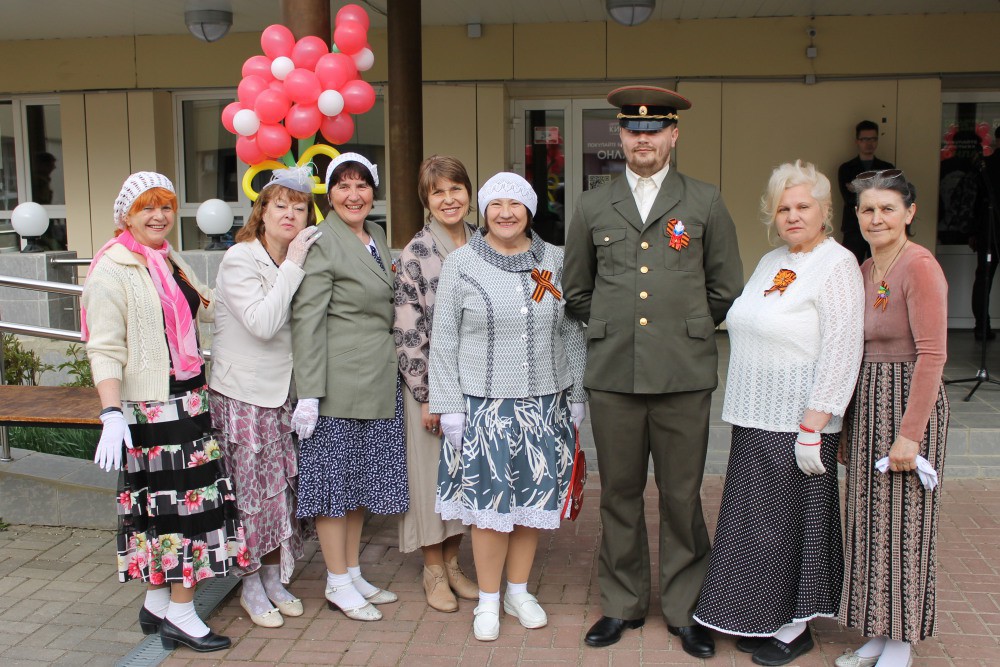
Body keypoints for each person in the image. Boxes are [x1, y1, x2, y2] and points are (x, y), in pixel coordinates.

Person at [562, 85, 743, 655]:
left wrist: (680, 328)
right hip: (615, 373)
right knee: (619, 493)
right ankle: (622, 604)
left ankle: (686, 609)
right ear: (620, 137)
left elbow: (725, 287)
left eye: (655, 130)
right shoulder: (593, 205)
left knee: (682, 495)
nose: (644, 139)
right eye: (633, 130)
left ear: (673, 135)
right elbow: (576, 290)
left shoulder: (705, 201)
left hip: (683, 374)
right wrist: (617, 326)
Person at [693, 160, 865, 666]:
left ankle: (796, 626)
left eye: (803, 206)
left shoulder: (837, 265)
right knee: (756, 525)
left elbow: (842, 347)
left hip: (799, 421)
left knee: (792, 526)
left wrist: (816, 422)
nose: (792, 216)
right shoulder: (773, 260)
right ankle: (762, 615)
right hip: (754, 415)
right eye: (783, 208)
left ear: (825, 210)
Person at [82, 172, 243, 653]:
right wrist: (111, 412)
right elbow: (104, 348)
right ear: (126, 216)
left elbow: (206, 306)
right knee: (182, 511)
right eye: (147, 208)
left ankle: (157, 603)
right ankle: (181, 614)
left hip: (188, 398)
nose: (159, 216)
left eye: (166, 206)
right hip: (153, 409)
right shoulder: (112, 269)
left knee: (167, 505)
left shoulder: (167, 257)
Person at [429, 172, 587, 642]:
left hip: (545, 404)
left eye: (515, 204)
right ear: (483, 210)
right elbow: (444, 340)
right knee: (490, 507)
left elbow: (571, 331)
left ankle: (518, 591)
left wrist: (578, 394)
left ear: (530, 210)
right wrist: (449, 405)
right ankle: (488, 599)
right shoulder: (461, 263)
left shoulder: (555, 260)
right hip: (486, 408)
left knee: (531, 503)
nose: (504, 212)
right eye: (495, 204)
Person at [837, 169, 949, 667]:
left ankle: (901, 644)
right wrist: (848, 422)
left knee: (904, 526)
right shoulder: (865, 267)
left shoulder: (920, 266)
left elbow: (933, 355)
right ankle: (878, 633)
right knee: (868, 524)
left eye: (887, 208)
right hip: (869, 402)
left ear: (909, 213)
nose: (876, 218)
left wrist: (910, 435)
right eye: (867, 209)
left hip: (907, 403)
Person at [290, 152, 407, 622]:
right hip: (337, 384)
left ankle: (353, 571)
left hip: (377, 378)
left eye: (361, 185)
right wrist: (309, 393)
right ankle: (336, 580)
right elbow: (307, 320)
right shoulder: (322, 241)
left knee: (359, 483)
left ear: (373, 191)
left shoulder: (375, 234)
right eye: (343, 186)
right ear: (330, 193)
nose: (353, 195)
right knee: (334, 487)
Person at [209, 166, 322, 627]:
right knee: (250, 498)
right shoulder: (240, 259)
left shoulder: (298, 259)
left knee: (280, 496)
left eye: (300, 207)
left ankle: (274, 577)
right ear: (262, 211)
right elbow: (262, 323)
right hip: (244, 397)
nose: (290, 214)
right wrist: (294, 264)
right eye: (281, 205)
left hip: (285, 396)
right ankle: (250, 585)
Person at [393, 155, 479, 612]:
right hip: (429, 385)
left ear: (469, 192)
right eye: (438, 192)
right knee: (431, 477)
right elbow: (408, 330)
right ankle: (432, 569)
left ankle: (453, 563)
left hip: (478, 381)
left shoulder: (484, 242)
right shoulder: (417, 252)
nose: (449, 199)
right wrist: (427, 396)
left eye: (456, 189)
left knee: (464, 476)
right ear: (426, 200)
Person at [838, 120, 895, 264]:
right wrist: (877, 189)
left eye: (873, 139)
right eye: (864, 139)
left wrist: (857, 187)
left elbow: (889, 198)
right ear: (857, 141)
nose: (869, 143)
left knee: (880, 266)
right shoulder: (846, 168)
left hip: (880, 226)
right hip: (853, 227)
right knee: (850, 266)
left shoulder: (887, 168)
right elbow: (849, 199)